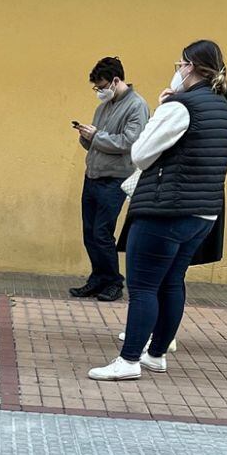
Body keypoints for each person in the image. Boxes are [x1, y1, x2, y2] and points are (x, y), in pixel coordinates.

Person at [89, 40, 227, 381]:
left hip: (166, 209)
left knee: (143, 288)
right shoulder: (221, 105)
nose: (177, 71)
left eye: (180, 64)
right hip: (204, 212)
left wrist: (162, 110)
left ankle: (128, 361)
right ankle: (156, 355)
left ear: (190, 67)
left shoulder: (181, 106)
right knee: (172, 281)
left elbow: (141, 153)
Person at [71, 56, 150, 302]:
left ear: (116, 81)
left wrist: (96, 136)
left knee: (102, 232)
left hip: (115, 179)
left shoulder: (137, 106)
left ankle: (114, 281)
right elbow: (97, 141)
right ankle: (98, 278)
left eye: (102, 86)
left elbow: (130, 142)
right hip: (93, 176)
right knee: (89, 232)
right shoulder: (103, 107)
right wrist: (86, 136)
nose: (99, 91)